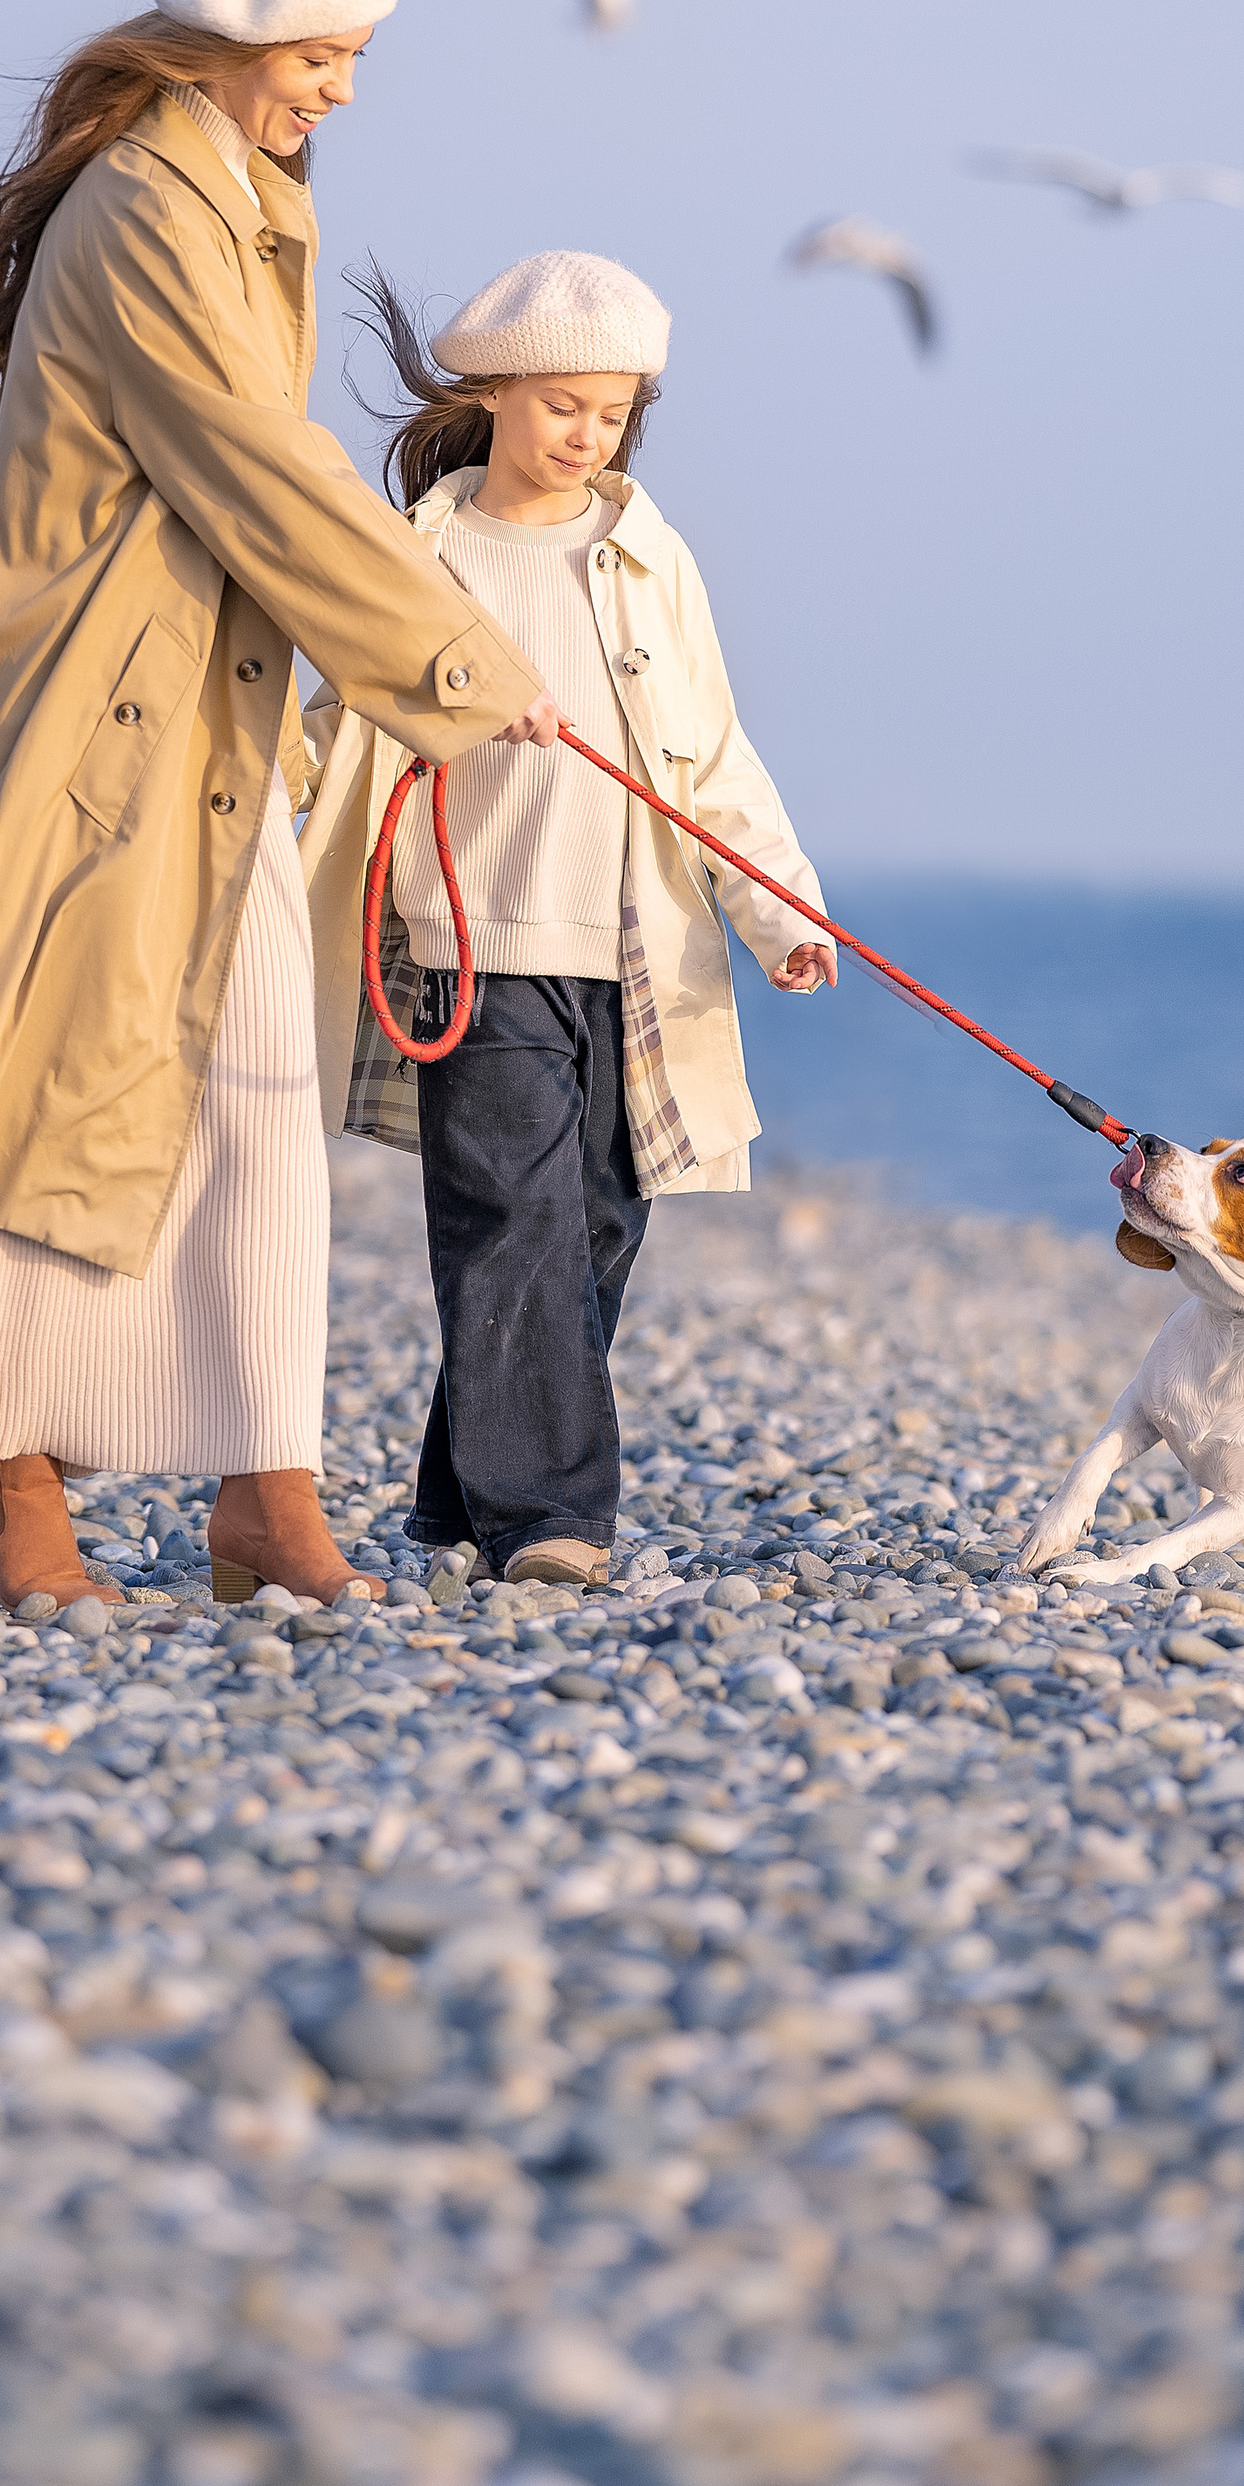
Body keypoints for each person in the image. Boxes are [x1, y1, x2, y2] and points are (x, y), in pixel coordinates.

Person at [0, 0, 553, 1614]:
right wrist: (466, 666)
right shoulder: (146, 207)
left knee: (254, 1110)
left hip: (204, 733)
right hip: (97, 735)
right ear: (230, 37)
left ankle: (264, 1494)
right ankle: (12, 1484)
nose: (345, 87)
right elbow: (253, 469)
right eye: (328, 50)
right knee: (75, 1103)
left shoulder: (228, 197)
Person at [299, 251, 833, 1591]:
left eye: (613, 412)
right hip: (467, 943)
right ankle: (553, 1517)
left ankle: (459, 1489)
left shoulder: (647, 558)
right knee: (510, 1221)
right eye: (562, 406)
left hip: (633, 952)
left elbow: (713, 755)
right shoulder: (421, 551)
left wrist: (781, 913)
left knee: (592, 1228)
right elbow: (338, 721)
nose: (587, 435)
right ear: (491, 394)